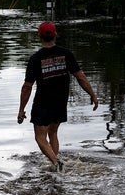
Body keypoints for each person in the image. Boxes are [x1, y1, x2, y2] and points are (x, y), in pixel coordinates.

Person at [17, 21, 98, 171]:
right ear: (55, 35)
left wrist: (21, 110)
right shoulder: (66, 54)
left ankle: (56, 163)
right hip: (61, 101)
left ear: (39, 37)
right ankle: (54, 166)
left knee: (40, 137)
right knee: (53, 132)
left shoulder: (36, 59)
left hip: (43, 102)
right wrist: (92, 95)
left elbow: (27, 86)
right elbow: (81, 77)